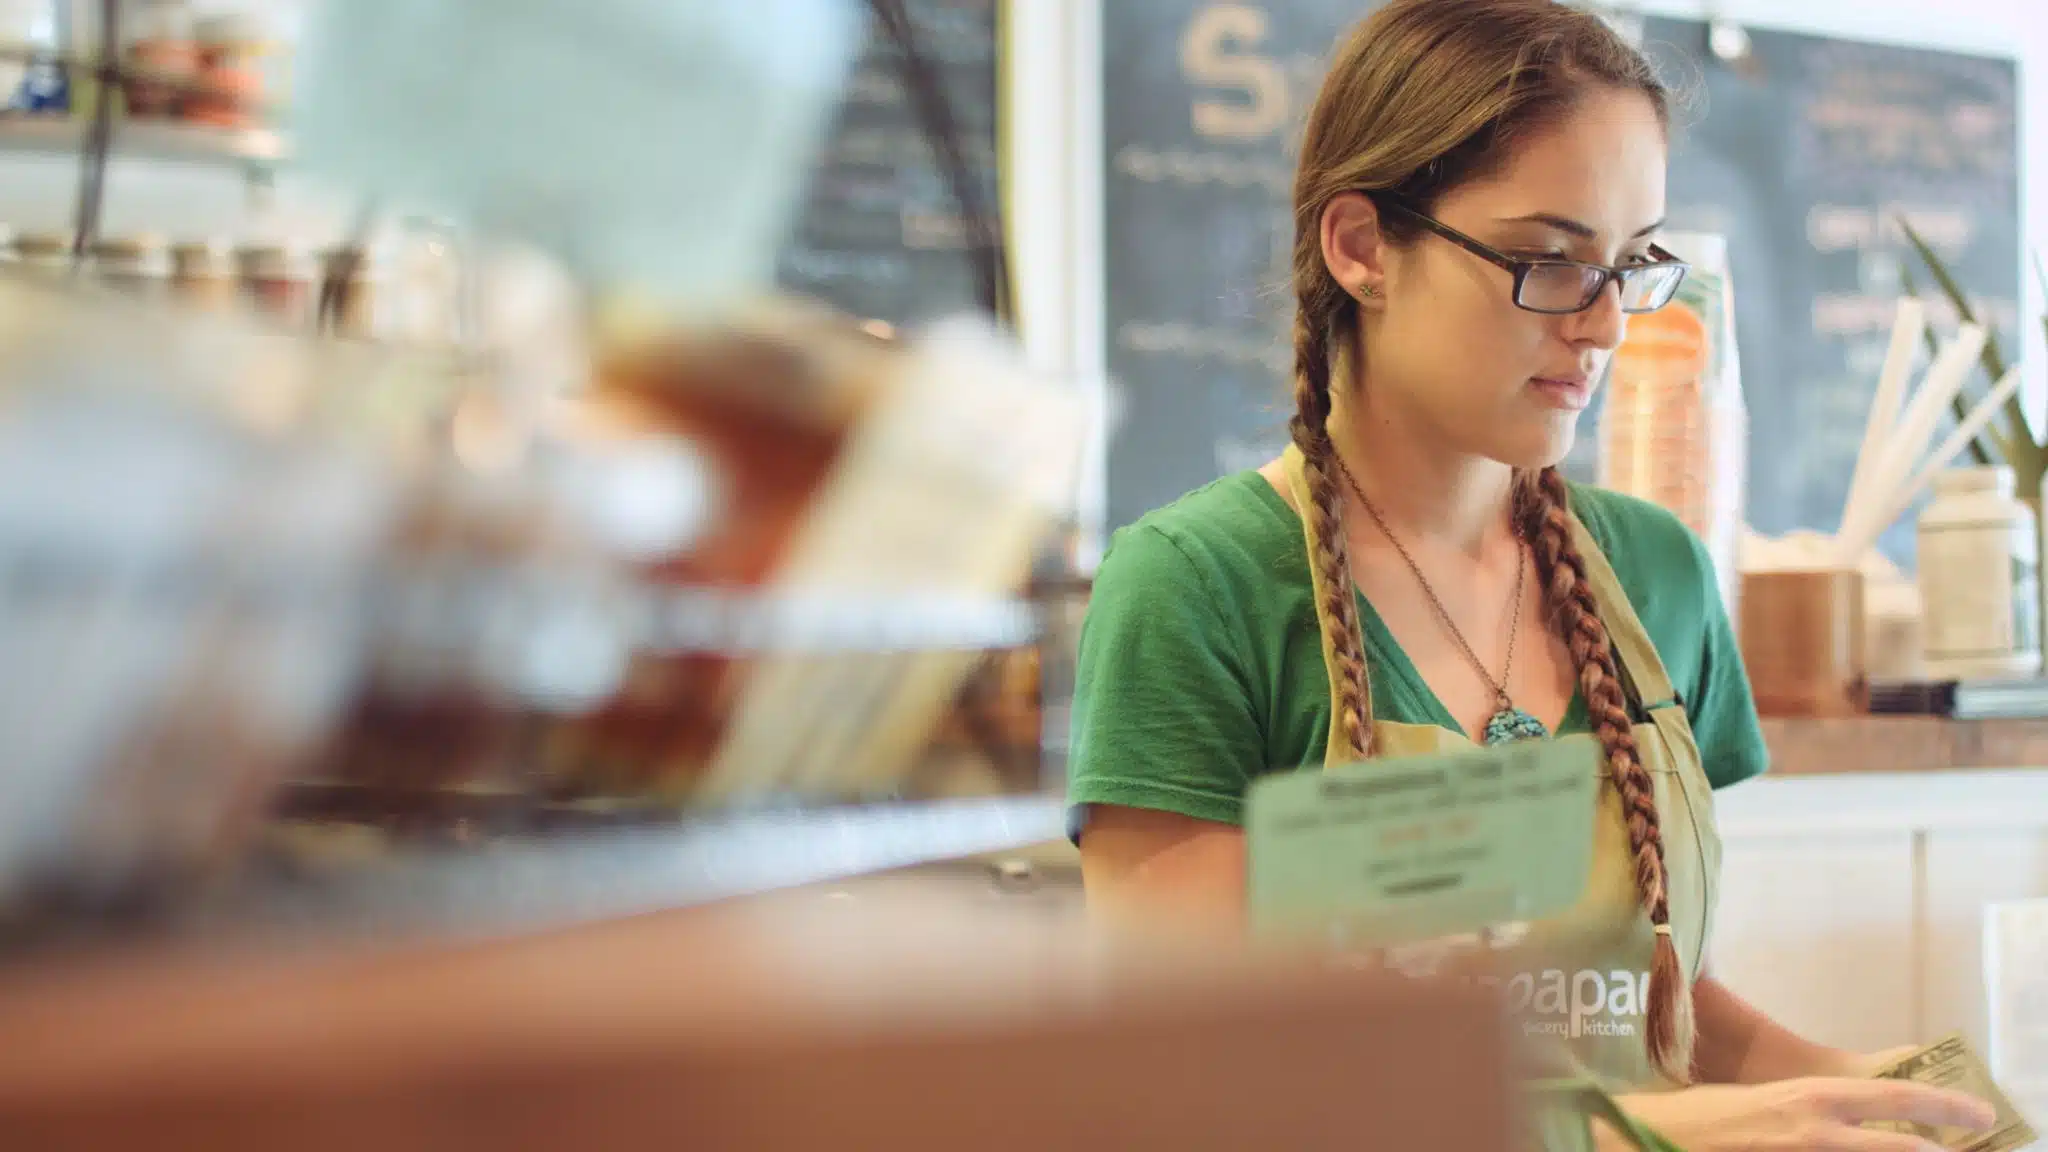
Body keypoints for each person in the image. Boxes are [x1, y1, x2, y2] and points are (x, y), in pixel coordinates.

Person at [1066, 1, 1995, 1148]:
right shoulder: (1194, 590)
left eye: (1629, 263)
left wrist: (1890, 1093)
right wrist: (1643, 1139)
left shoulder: (1656, 577)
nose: (1605, 325)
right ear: (1359, 247)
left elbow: (1635, 1010)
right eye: (1549, 261)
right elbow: (1191, 1088)